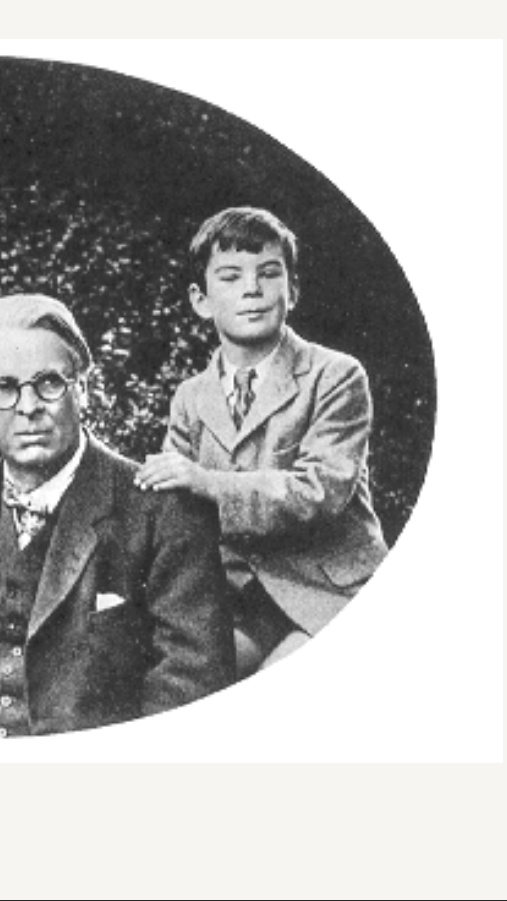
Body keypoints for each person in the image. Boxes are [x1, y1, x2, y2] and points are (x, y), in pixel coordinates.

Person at [0, 294, 235, 737]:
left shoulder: (163, 510)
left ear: (82, 388)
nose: (28, 406)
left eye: (49, 383)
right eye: (4, 388)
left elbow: (192, 684)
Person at [135, 206, 389, 678]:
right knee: (177, 680)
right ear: (201, 300)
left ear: (292, 291)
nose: (251, 289)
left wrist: (205, 482)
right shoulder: (191, 396)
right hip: (237, 598)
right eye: (230, 277)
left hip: (327, 591)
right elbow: (172, 512)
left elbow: (319, 492)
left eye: (269, 273)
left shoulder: (335, 375)